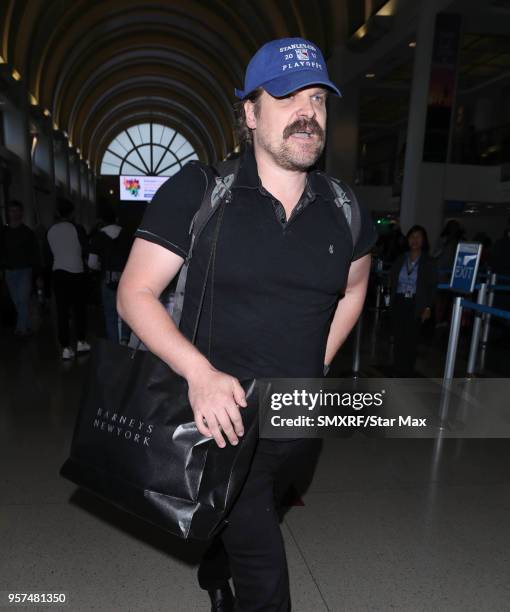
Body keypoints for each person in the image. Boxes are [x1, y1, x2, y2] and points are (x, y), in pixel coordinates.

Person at [117, 37, 376, 612]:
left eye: (318, 99)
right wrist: (199, 374)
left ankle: (214, 568)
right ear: (251, 114)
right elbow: (135, 294)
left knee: (240, 519)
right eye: (285, 97)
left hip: (299, 420)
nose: (307, 112)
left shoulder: (345, 210)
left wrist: (319, 360)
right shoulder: (199, 192)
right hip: (220, 422)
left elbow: (355, 290)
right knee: (265, 572)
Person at [389, 225, 438, 376]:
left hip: (416, 303)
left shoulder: (428, 261)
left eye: (418, 237)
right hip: (399, 301)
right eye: (412, 236)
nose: (414, 240)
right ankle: (397, 368)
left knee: (412, 338)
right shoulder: (400, 259)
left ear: (424, 240)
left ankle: (407, 370)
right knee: (398, 336)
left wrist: (428, 307)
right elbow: (392, 279)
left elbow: (432, 287)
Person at [46, 198, 91, 359]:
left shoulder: (50, 230)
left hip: (58, 273)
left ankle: (65, 348)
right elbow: (86, 248)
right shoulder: (77, 228)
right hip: (77, 273)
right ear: (72, 213)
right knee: (79, 309)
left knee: (62, 311)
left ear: (57, 213)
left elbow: (49, 255)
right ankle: (80, 342)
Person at [88, 207, 133, 344]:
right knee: (126, 310)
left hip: (106, 278)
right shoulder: (127, 235)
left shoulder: (98, 237)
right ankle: (125, 339)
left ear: (102, 221)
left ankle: (114, 343)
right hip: (125, 278)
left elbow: (92, 263)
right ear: (116, 219)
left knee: (110, 313)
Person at [0, 200, 41, 336]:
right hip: (9, 270)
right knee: (16, 300)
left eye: (17, 211)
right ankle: (27, 324)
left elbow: (35, 252)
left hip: (24, 270)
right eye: (12, 211)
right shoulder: (4, 232)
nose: (14, 214)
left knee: (22, 299)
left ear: (21, 212)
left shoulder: (27, 232)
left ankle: (21, 329)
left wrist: (37, 273)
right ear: (9, 213)